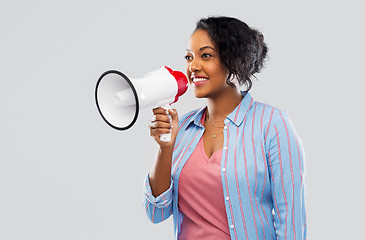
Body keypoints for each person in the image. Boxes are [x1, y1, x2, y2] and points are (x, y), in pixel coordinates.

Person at [143, 16, 307, 240]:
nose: (193, 66)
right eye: (189, 57)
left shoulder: (272, 124)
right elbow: (156, 212)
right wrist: (165, 149)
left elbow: (291, 222)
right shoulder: (182, 128)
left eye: (206, 55)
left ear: (234, 60)